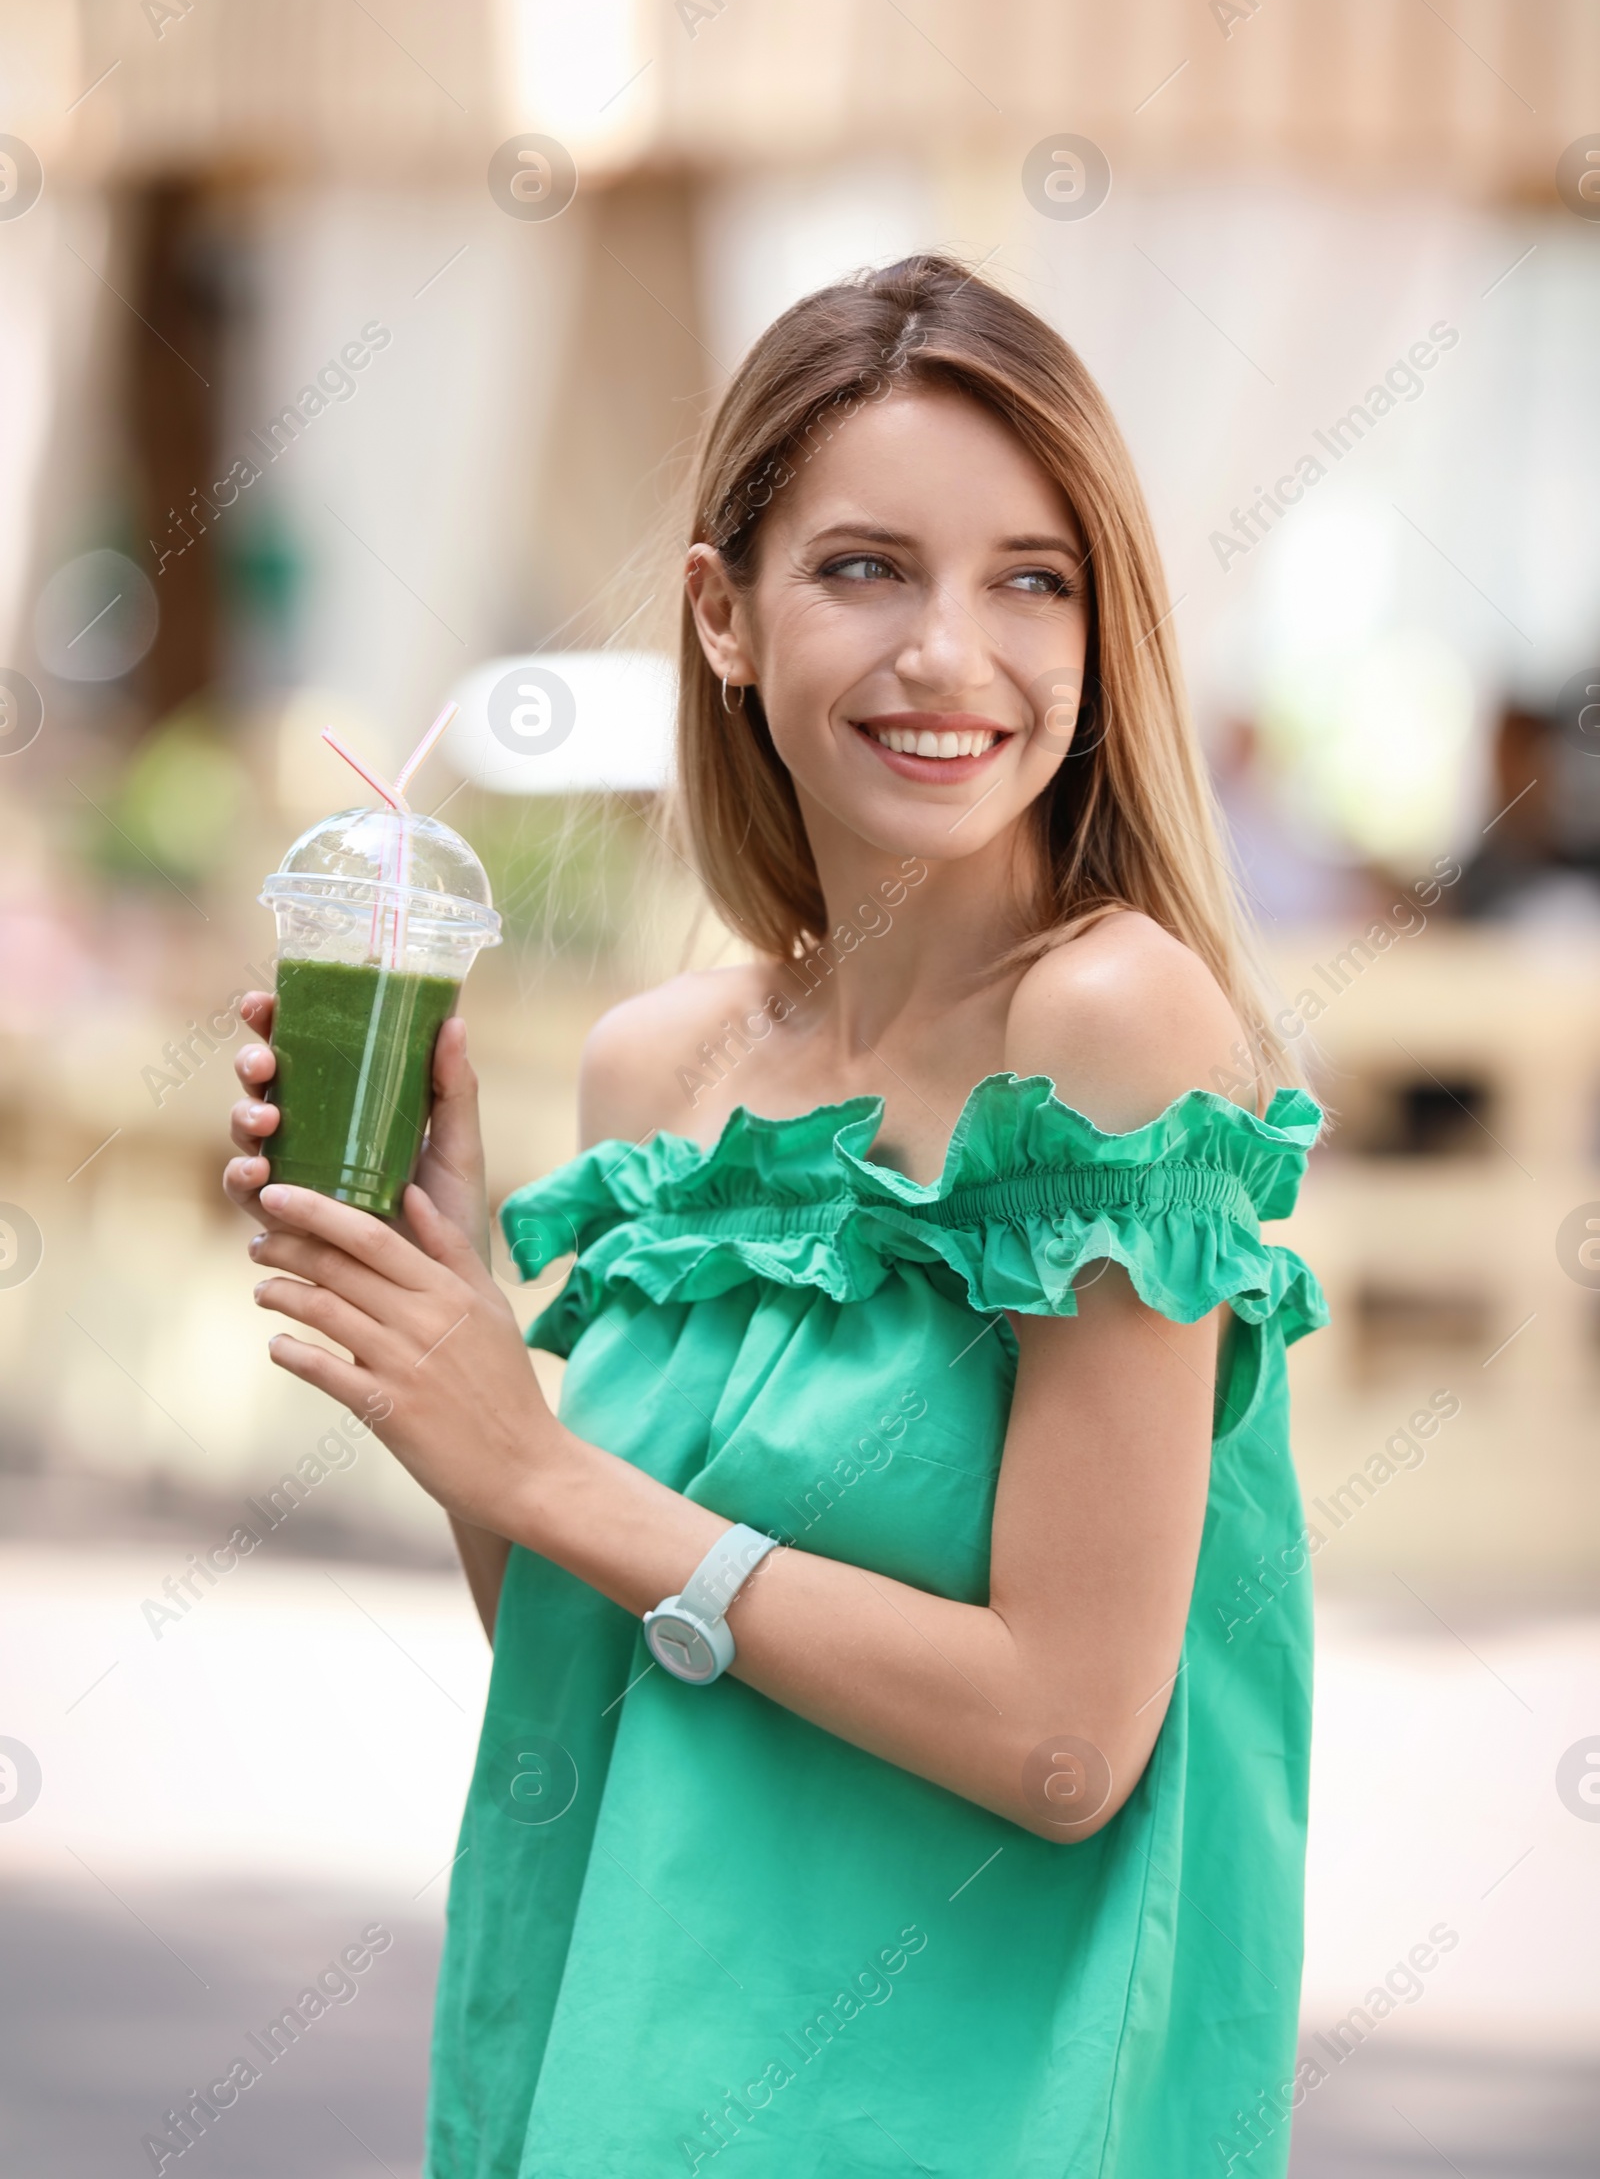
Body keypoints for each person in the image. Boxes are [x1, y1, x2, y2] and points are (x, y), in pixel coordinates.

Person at [225, 254, 1327, 2178]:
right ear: (725, 617)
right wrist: (454, 1346)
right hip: (620, 2056)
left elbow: (1070, 1745)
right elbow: (597, 1655)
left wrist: (548, 1470)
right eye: (865, 568)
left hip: (967, 2115)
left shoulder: (1112, 1030)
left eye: (1030, 578)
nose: (950, 655)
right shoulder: (659, 1076)